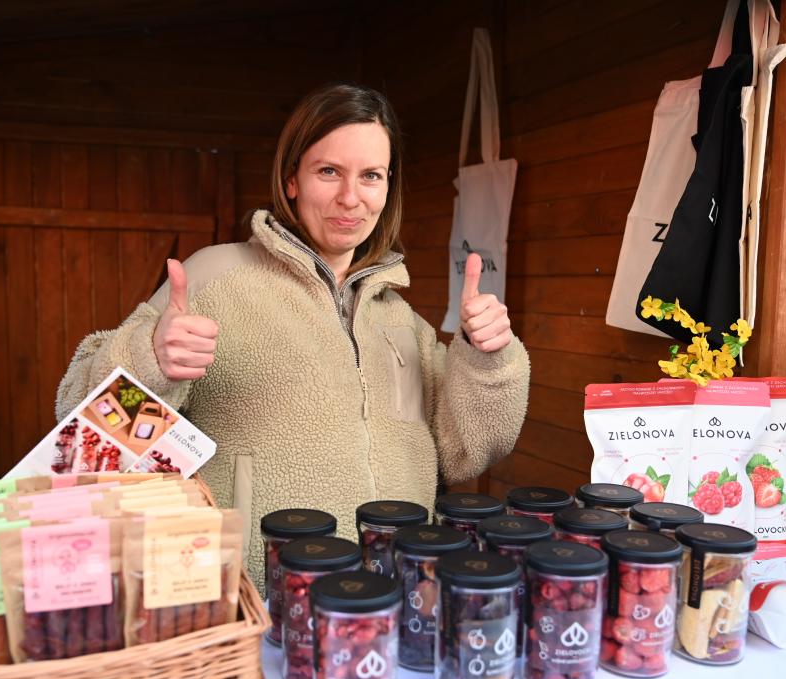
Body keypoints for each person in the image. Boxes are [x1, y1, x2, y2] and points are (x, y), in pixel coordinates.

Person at [56, 84, 530, 589]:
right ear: (291, 181)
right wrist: (149, 360)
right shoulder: (215, 278)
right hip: (261, 596)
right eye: (329, 171)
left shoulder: (399, 318)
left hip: (393, 598)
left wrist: (488, 357)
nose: (351, 197)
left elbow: (467, 452)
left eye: (371, 176)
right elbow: (81, 428)